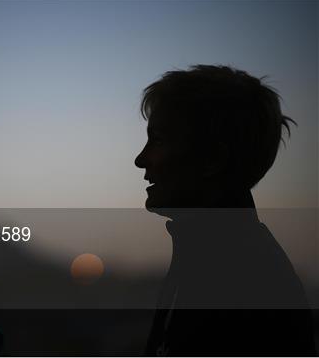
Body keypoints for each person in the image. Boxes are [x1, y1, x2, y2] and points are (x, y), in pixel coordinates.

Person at [134, 65, 316, 356]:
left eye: (158, 140)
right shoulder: (209, 259)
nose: (140, 160)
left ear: (214, 159)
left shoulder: (239, 281)